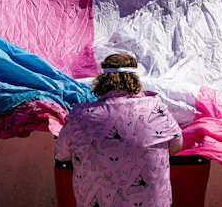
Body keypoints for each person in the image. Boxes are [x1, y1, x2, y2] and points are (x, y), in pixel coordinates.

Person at [55, 54, 182, 207]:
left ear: (101, 81)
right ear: (135, 80)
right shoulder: (156, 109)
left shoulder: (79, 116)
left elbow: (62, 154)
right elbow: (176, 146)